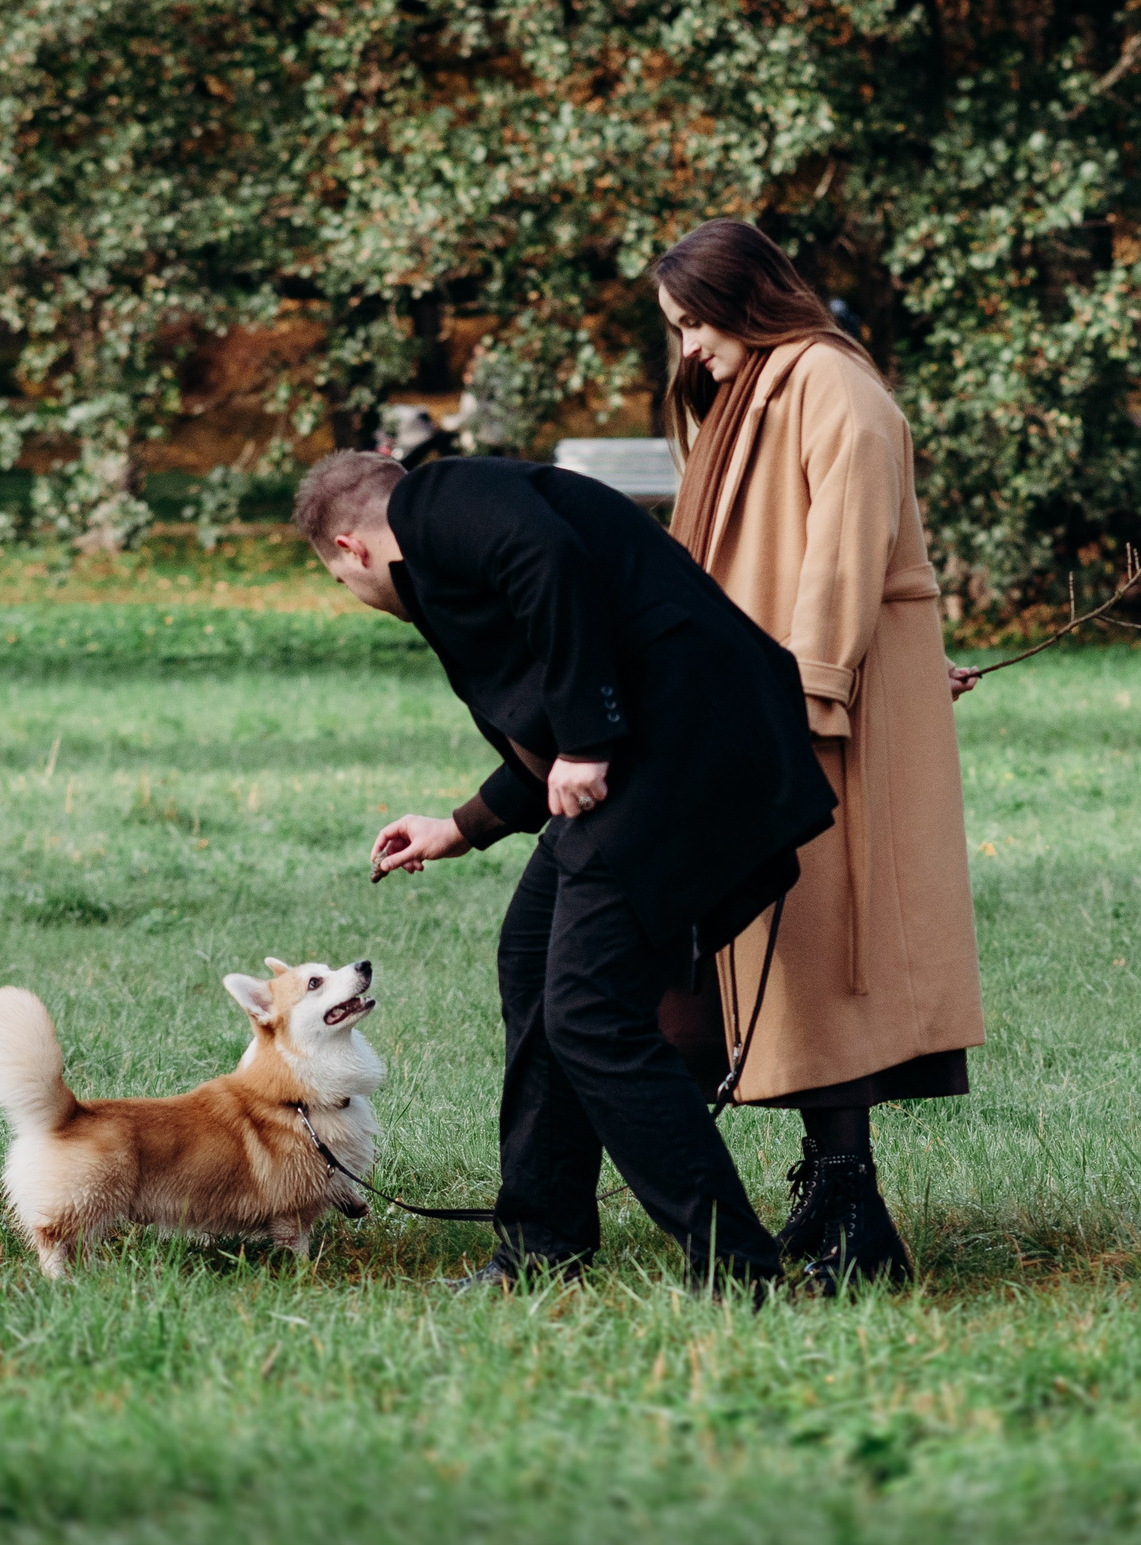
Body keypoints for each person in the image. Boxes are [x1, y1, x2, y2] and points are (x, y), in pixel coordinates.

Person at [294, 448, 836, 1292]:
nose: (355, 598)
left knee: (591, 1011)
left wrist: (587, 737)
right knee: (534, 959)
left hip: (691, 756)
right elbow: (550, 720)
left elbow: (549, 565)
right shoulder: (452, 563)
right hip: (663, 755)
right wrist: (462, 826)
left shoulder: (444, 500)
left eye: (338, 583)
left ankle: (738, 1270)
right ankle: (543, 1247)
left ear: (350, 549)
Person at [649, 218, 988, 1290]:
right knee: (788, 949)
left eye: (696, 323)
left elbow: (843, 556)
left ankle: (849, 1208)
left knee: (826, 943)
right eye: (677, 329)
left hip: (814, 710)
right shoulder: (761, 390)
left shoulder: (833, 387)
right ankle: (835, 1194)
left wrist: (818, 696)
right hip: (774, 697)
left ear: (747, 299)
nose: (689, 347)